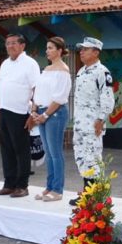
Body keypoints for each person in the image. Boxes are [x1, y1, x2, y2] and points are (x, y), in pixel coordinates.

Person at [0, 34, 40, 198]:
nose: (10, 46)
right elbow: (1, 87)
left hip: (20, 112)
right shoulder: (5, 64)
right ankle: (9, 184)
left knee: (21, 150)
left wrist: (33, 113)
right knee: (6, 150)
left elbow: (36, 89)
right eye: (7, 43)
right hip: (4, 110)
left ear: (22, 45)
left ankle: (22, 185)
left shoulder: (30, 64)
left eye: (13, 43)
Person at [72, 37, 115, 205]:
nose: (81, 52)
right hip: (80, 124)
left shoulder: (102, 72)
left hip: (93, 124)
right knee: (81, 158)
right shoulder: (81, 71)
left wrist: (101, 119)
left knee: (93, 158)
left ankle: (95, 196)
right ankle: (86, 193)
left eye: (86, 49)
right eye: (81, 49)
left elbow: (107, 98)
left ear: (96, 52)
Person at [30, 37, 72, 202]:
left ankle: (58, 189)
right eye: (46, 48)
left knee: (55, 152)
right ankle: (49, 186)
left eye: (51, 48)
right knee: (48, 152)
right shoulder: (46, 69)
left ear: (59, 50)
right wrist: (34, 110)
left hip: (55, 113)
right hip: (41, 111)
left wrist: (45, 114)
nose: (47, 51)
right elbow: (37, 90)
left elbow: (60, 97)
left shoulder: (63, 70)